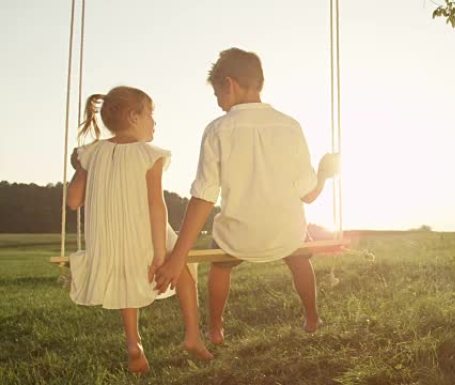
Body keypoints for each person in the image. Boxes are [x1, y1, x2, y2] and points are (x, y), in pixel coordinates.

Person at [152, 48, 339, 343]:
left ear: (230, 84)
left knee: (219, 264)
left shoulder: (217, 130)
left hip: (238, 238)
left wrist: (179, 257)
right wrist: (325, 175)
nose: (218, 103)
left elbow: (204, 197)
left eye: (217, 94)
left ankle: (215, 327)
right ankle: (312, 317)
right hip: (285, 236)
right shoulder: (290, 126)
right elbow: (308, 196)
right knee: (301, 254)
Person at [66, 86, 213, 373]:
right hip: (146, 236)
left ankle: (134, 344)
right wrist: (161, 256)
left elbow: (73, 202)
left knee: (124, 282)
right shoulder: (149, 154)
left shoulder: (90, 153)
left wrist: (79, 167)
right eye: (150, 114)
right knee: (182, 268)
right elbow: (156, 206)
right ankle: (193, 336)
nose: (154, 122)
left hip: (107, 244)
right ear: (134, 116)